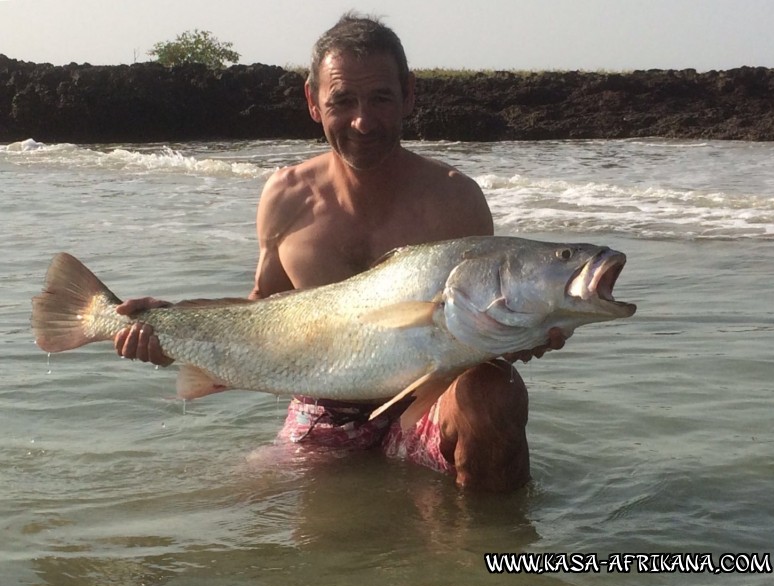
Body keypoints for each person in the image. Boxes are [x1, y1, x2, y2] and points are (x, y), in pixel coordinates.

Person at [114, 13, 565, 492]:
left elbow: (477, 331)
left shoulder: (456, 200)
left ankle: (481, 557)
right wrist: (174, 333)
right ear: (312, 101)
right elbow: (264, 312)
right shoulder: (286, 195)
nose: (362, 121)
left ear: (410, 95)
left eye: (381, 99)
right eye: (343, 100)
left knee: (496, 395)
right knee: (225, 504)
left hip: (430, 402)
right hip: (322, 407)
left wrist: (521, 335)